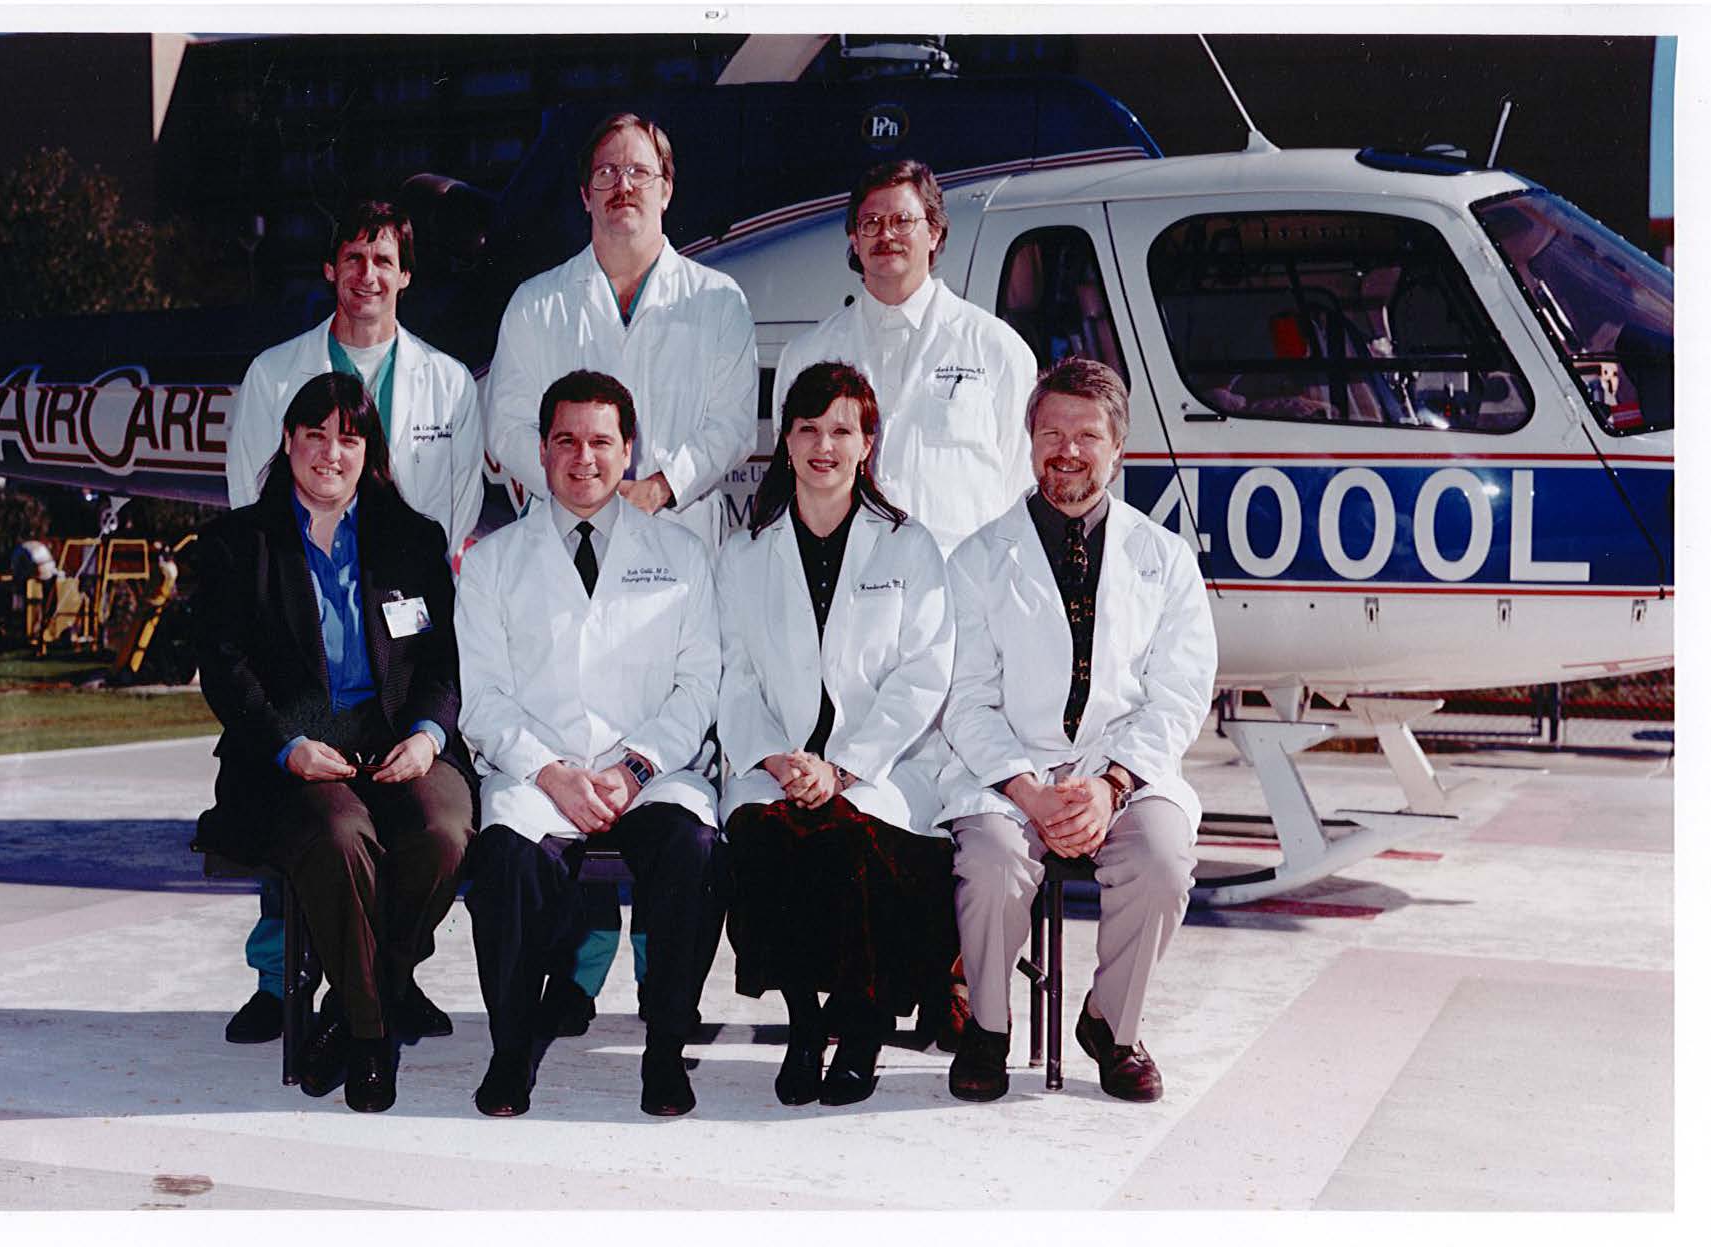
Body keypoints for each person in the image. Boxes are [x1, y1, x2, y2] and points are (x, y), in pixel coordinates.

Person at [483, 110, 755, 1038]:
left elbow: (731, 424)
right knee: (571, 740)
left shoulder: (717, 299)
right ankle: (574, 969)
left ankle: (661, 984)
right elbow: (508, 423)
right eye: (605, 172)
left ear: (667, 187)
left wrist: (654, 488)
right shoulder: (538, 303)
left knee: (660, 766)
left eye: (639, 171)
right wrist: (583, 495)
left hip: (675, 548)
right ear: (585, 191)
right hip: (562, 543)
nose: (622, 187)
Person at [219, 199, 483, 1049]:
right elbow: (247, 507)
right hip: (296, 652)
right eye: (353, 258)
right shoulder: (272, 374)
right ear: (330, 269)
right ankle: (279, 976)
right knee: (313, 820)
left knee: (426, 827)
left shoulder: (448, 382)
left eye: (384, 259)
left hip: (399, 648)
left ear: (405, 274)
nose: (368, 274)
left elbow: (455, 514)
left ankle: (382, 978)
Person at [195, 373, 476, 1113]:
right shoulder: (237, 545)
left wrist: (426, 735)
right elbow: (224, 670)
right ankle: (372, 1035)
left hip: (396, 746)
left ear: (368, 452)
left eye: (347, 438)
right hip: (288, 757)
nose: (329, 452)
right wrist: (288, 745)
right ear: (287, 442)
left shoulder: (413, 542)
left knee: (444, 829)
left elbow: (443, 661)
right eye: (313, 435)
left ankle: (344, 1011)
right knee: (340, 835)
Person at [940, 358, 1217, 1104]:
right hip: (1011, 773)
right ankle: (988, 1027)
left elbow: (1180, 692)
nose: (1067, 450)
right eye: (1050, 433)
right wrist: (1029, 793)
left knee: (1162, 858)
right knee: (995, 859)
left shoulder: (1163, 560)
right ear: (1027, 442)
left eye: (1086, 435)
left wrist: (1109, 783)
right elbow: (965, 698)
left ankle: (1110, 1024)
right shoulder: (975, 560)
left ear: (1117, 447)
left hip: (1121, 769)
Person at [457, 370, 725, 1120]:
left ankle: (665, 1050)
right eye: (566, 440)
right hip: (536, 771)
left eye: (601, 440)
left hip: (649, 770)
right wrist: (549, 771)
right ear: (540, 451)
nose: (584, 457)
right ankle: (511, 1053)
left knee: (695, 852)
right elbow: (482, 698)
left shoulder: (679, 554)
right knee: (508, 862)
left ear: (628, 450)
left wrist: (634, 767)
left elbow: (698, 685)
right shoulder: (490, 564)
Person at [718, 362, 956, 1107]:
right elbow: (734, 676)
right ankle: (800, 1024)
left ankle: (857, 1032)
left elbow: (924, 673)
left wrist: (844, 767)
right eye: (808, 429)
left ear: (867, 443)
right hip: (777, 764)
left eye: (840, 430)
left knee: (849, 841)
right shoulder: (744, 553)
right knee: (763, 834)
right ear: (784, 442)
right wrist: (777, 760)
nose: (824, 445)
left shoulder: (908, 548)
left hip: (880, 772)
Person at [772, 159, 1038, 560]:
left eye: (902, 221)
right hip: (848, 584)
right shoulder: (807, 355)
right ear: (853, 239)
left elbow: (1020, 489)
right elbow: (794, 478)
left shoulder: (997, 349)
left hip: (958, 590)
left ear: (934, 232)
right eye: (871, 223)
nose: (886, 235)